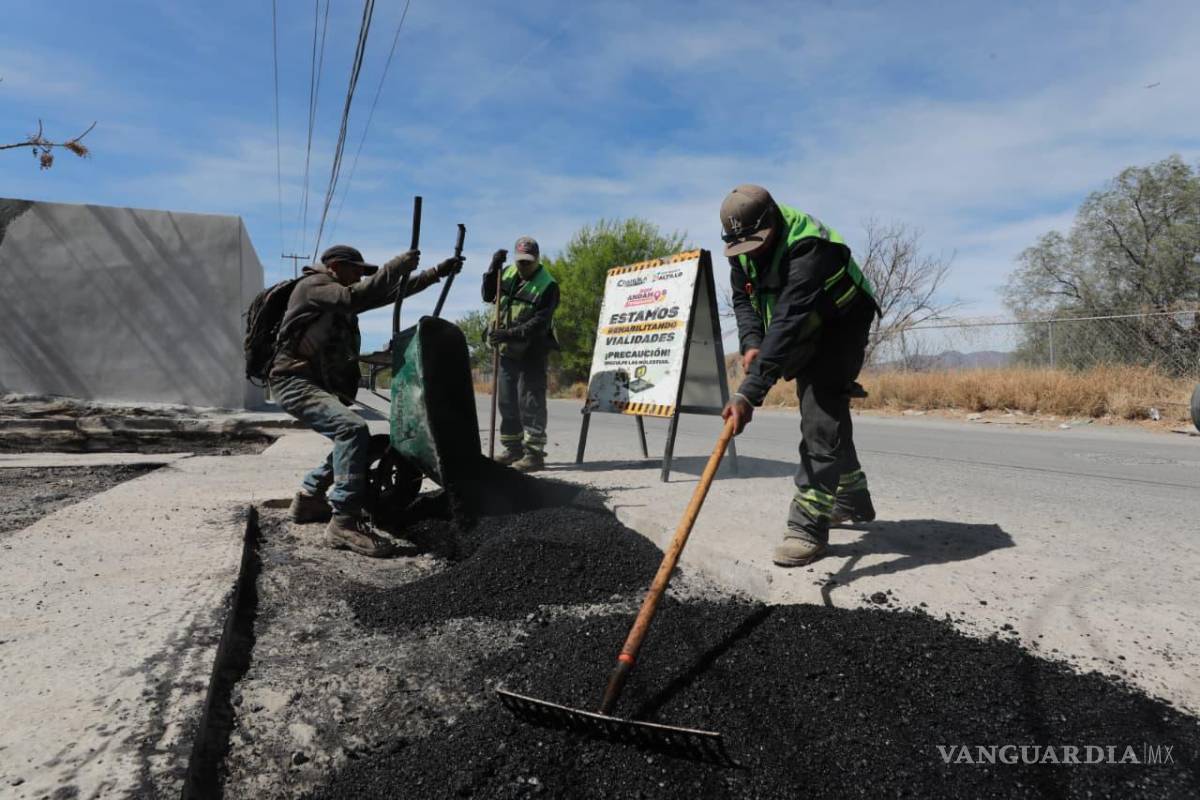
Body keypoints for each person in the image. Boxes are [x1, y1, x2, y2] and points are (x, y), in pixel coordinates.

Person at [719, 184, 880, 567]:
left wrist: (749, 393)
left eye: (757, 244)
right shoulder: (742, 249)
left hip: (841, 324)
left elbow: (789, 320)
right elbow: (744, 297)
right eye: (742, 248)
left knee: (820, 411)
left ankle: (808, 526)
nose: (750, 253)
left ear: (773, 220)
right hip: (807, 323)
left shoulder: (809, 246)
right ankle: (851, 496)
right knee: (827, 408)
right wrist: (751, 341)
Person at [271, 243, 463, 557]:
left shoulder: (336, 294)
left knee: (352, 437)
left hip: (311, 380)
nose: (360, 277)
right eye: (357, 270)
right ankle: (343, 522)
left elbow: (390, 294)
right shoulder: (315, 286)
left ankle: (309, 498)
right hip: (292, 380)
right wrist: (397, 265)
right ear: (335, 266)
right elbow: (355, 296)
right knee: (351, 429)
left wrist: (434, 273)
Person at [482, 236, 560, 472]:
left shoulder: (548, 286)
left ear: (537, 259)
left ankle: (534, 454)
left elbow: (540, 323)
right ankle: (513, 449)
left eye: (528, 261)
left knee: (530, 401)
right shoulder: (506, 274)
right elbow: (488, 295)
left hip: (533, 351)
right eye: (520, 261)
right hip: (507, 351)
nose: (524, 266)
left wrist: (509, 334)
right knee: (507, 401)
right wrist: (492, 269)